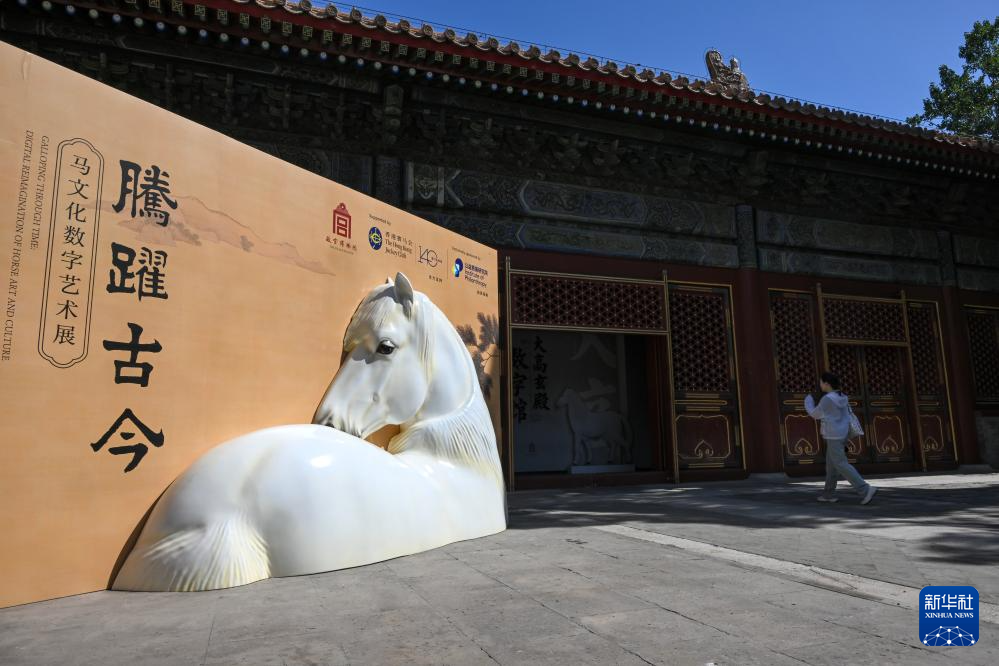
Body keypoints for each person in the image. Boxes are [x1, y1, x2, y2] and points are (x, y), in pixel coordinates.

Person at [805, 372, 877, 505]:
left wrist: (808, 401)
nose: (820, 385)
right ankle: (828, 494)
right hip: (842, 433)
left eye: (821, 382)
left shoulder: (827, 399)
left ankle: (865, 489)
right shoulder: (842, 396)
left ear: (826, 384)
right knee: (831, 466)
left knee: (840, 464)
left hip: (833, 434)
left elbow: (815, 414)